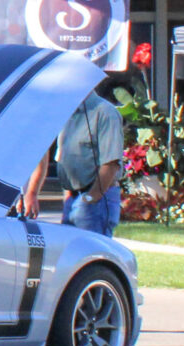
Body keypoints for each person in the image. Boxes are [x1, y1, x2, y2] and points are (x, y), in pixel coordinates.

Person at [38, 77, 127, 236]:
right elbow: (64, 159)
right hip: (73, 197)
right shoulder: (68, 114)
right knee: (71, 255)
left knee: (91, 256)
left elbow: (111, 163)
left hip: (96, 200)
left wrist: (90, 198)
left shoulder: (105, 112)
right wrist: (69, 197)